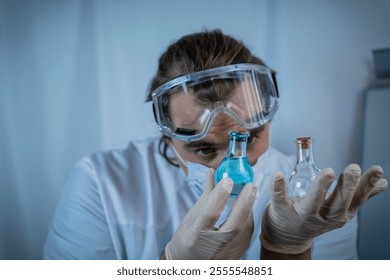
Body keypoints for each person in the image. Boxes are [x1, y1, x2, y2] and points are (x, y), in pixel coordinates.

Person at [43, 29, 387, 260]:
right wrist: (175, 267)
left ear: (268, 120)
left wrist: (289, 247)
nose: (232, 169)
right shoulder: (100, 184)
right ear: (169, 135)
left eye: (248, 140)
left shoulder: (315, 199)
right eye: (205, 149)